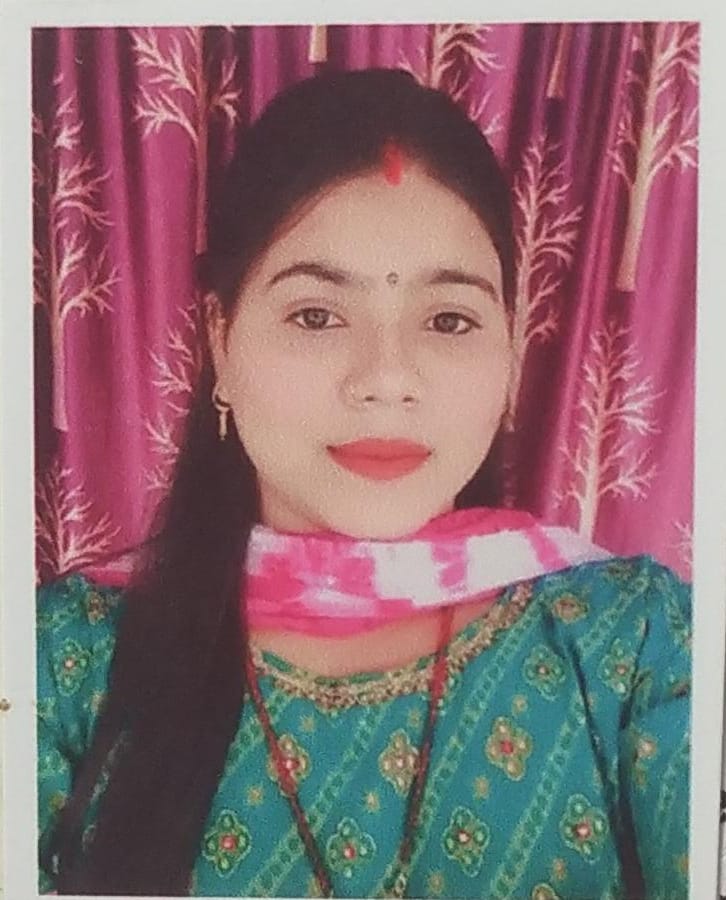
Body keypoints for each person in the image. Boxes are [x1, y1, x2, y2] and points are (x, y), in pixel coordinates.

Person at [36, 67, 691, 899]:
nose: (387, 380)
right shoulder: (62, 663)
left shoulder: (635, 645)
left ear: (510, 349)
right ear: (219, 342)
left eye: (448, 319)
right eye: (317, 315)